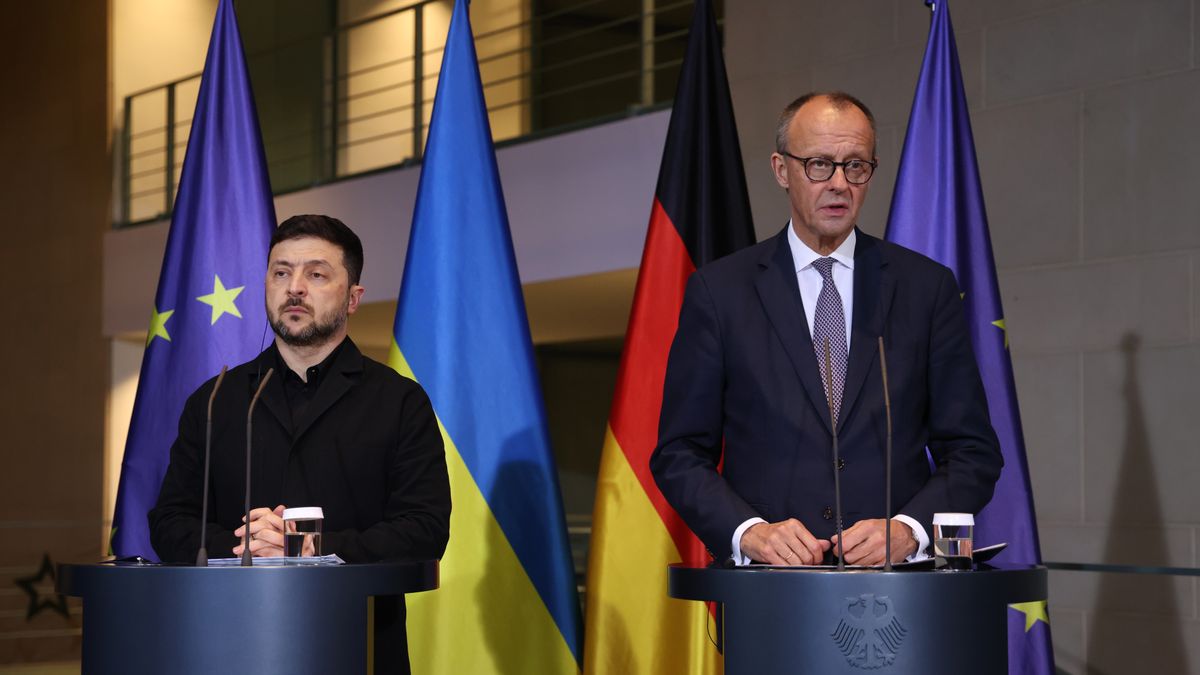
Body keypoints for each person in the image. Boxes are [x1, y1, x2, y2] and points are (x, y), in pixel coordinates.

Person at [650, 92, 1003, 567]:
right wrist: (749, 533)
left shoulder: (925, 288)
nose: (839, 184)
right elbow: (679, 452)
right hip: (771, 586)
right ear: (781, 170)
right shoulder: (720, 292)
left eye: (855, 166)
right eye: (819, 164)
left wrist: (910, 530)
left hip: (897, 585)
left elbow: (973, 451)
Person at [150, 214, 450, 565]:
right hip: (234, 600)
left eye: (316, 274)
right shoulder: (214, 400)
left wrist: (310, 547)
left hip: (355, 602)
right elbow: (169, 523)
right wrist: (249, 546)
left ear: (353, 298)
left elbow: (425, 530)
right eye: (281, 273)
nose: (294, 288)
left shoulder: (399, 401)